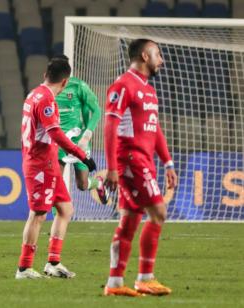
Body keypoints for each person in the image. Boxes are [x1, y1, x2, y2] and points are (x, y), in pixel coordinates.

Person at [102, 39, 178, 296]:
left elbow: (154, 129)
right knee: (158, 212)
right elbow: (111, 125)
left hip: (144, 160)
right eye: (158, 54)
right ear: (145, 56)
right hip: (130, 160)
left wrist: (167, 162)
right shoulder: (123, 85)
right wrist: (111, 167)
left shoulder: (148, 90)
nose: (162, 60)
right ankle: (145, 277)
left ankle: (114, 284)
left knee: (130, 221)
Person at [16, 58, 97, 279]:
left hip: (48, 161)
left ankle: (53, 262)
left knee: (65, 210)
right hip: (40, 164)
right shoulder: (46, 101)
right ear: (65, 81)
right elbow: (56, 134)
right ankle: (23, 268)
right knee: (38, 214)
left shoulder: (33, 94)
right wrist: (82, 154)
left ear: (45, 75)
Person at [52, 55, 108, 204]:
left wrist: (87, 135)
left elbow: (96, 110)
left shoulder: (79, 86)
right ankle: (56, 223)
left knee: (82, 184)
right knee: (54, 183)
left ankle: (98, 183)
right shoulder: (48, 89)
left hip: (78, 141)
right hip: (58, 142)